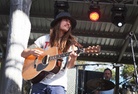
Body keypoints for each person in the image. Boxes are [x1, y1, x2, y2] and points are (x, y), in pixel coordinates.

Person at [21, 12, 81, 94]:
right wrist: (32, 51)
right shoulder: (44, 39)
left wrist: (73, 58)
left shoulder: (70, 44)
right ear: (58, 22)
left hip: (58, 84)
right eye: (66, 20)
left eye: (70, 23)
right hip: (39, 82)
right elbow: (23, 54)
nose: (68, 23)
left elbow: (70, 66)